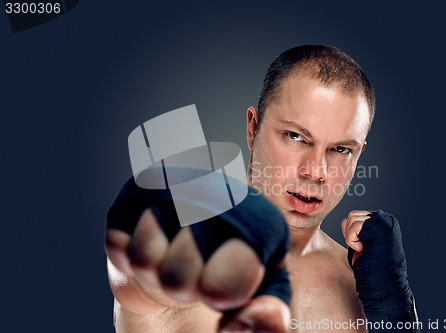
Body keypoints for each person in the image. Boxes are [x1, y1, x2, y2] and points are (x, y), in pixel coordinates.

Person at [105, 45, 419, 332]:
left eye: (340, 149)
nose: (315, 171)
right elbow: (138, 279)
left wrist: (396, 311)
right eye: (295, 136)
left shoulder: (365, 285)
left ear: (359, 154)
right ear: (253, 128)